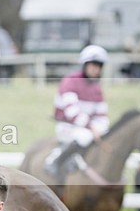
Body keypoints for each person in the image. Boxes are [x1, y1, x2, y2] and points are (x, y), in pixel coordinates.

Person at [45, 44, 110, 178]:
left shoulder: (97, 89)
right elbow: (72, 113)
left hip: (88, 128)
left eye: (98, 66)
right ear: (84, 65)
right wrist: (93, 128)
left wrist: (102, 129)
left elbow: (102, 115)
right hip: (67, 126)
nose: (95, 70)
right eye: (92, 65)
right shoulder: (70, 82)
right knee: (84, 136)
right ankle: (55, 161)